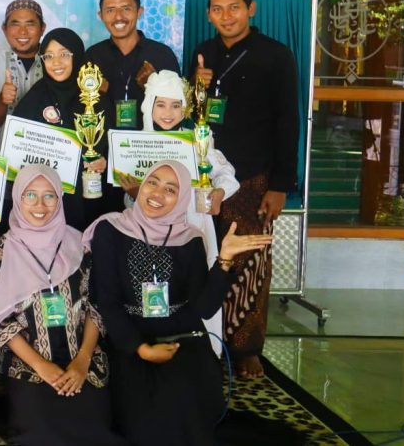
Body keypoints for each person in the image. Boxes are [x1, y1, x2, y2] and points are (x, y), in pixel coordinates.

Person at [85, 161, 272, 446]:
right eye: (153, 182)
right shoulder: (110, 230)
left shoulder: (190, 238)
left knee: (185, 400)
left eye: (171, 189)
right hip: (129, 338)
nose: (158, 193)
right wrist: (141, 348)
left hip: (182, 336)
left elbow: (202, 308)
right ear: (142, 186)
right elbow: (107, 302)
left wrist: (224, 261)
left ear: (182, 197)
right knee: (144, 422)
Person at [192, 0, 299, 379]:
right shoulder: (203, 53)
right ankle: (206, 342)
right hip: (207, 176)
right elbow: (189, 115)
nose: (227, 16)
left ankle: (246, 348)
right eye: (218, 9)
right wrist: (195, 87)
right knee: (207, 258)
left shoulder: (276, 55)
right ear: (208, 14)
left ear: (250, 8)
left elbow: (288, 122)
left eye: (234, 7)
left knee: (250, 261)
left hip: (254, 178)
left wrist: (279, 185)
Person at [0, 165, 126, 446]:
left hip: (82, 357)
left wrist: (82, 361)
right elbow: (1, 323)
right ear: (18, 197)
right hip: (28, 364)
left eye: (49, 195)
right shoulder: (1, 250)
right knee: (38, 433)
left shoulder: (81, 244)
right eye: (30, 195)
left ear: (60, 199)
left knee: (94, 429)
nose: (40, 205)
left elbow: (96, 307)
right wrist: (42, 366)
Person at [118, 69, 240, 353]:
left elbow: (226, 173)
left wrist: (219, 192)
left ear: (185, 108)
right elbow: (126, 199)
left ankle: (204, 351)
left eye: (176, 105)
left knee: (197, 285)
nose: (168, 113)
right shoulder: (135, 144)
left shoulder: (197, 138)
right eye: (160, 104)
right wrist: (137, 195)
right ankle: (148, 346)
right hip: (149, 233)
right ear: (149, 106)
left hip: (193, 225)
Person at [13, 28, 112, 231]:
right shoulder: (34, 98)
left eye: (64, 54)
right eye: (49, 56)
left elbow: (115, 152)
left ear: (77, 55)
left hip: (89, 201)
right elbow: (16, 153)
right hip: (43, 207)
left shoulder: (95, 99)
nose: (56, 62)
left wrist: (105, 162)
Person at [85, 0, 180, 130]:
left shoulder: (162, 55)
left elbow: (178, 109)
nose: (118, 17)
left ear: (139, 12)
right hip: (104, 144)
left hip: (149, 144)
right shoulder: (92, 57)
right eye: (110, 10)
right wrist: (98, 93)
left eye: (126, 8)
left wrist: (154, 86)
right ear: (100, 15)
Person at [0, 0, 47, 153]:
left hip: (43, 157)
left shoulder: (55, 64)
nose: (22, 32)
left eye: (30, 24)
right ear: (4, 29)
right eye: (15, 24)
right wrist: (2, 100)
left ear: (42, 28)